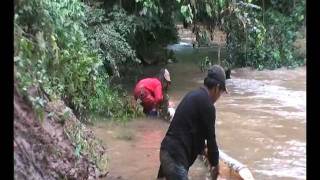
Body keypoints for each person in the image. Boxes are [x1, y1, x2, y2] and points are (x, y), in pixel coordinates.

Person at [157, 65, 228, 180]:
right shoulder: (208, 105)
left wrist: (202, 149)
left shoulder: (193, 95)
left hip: (166, 151)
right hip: (176, 159)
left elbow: (189, 131)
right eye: (221, 92)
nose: (219, 97)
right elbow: (211, 141)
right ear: (217, 87)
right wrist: (215, 166)